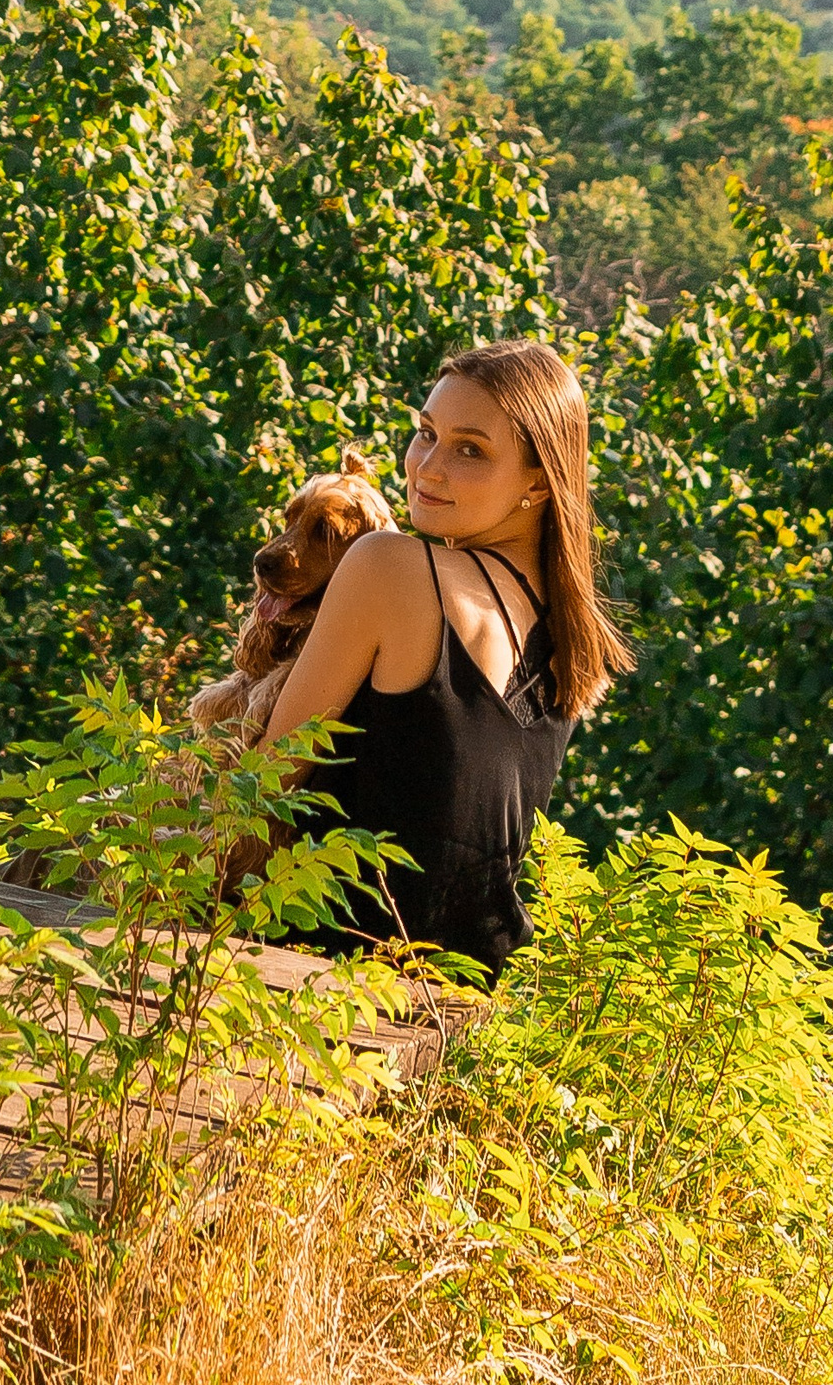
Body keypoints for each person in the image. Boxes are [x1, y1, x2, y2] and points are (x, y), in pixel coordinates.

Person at [260, 339, 632, 976]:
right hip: (468, 1001)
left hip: (329, 985)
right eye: (426, 433)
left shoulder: (388, 566)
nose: (427, 468)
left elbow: (259, 790)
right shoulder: (569, 640)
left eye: (470, 450)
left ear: (539, 481)